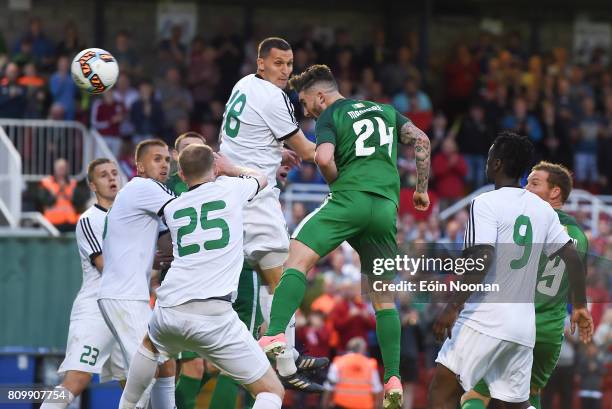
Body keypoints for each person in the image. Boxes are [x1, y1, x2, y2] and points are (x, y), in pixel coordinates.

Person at [258, 64, 431, 409]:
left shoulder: (331, 114)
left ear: (320, 96)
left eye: (306, 104)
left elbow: (322, 158)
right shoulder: (386, 111)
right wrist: (421, 191)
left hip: (348, 199)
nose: (306, 112)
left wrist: (338, 181)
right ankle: (393, 376)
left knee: (297, 257)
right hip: (385, 210)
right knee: (383, 299)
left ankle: (275, 332)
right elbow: (422, 141)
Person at [428, 132, 594, 409]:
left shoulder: (485, 203)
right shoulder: (543, 211)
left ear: (496, 163)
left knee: (442, 389)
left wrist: (452, 307)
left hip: (485, 318)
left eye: (491, 152)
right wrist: (579, 305)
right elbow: (572, 258)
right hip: (523, 327)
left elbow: (482, 256)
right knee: (517, 404)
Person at [119, 144, 284, 409]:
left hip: (169, 309)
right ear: (216, 169)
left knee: (150, 345)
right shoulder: (230, 189)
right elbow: (261, 178)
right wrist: (233, 169)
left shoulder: (173, 208)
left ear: (181, 176)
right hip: (214, 315)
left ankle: (126, 406)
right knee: (271, 390)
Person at [219, 36, 326, 391]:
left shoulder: (244, 84)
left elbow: (248, 135)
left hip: (232, 188)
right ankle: (286, 360)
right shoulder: (273, 97)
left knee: (272, 278)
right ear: (260, 62)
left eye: (290, 64)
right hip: (256, 196)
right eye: (278, 63)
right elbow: (310, 152)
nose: (285, 71)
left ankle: (284, 357)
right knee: (286, 277)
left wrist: (276, 151)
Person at [97, 139, 177, 409]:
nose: (165, 164)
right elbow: (186, 214)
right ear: (139, 166)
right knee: (145, 373)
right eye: (157, 159)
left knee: (163, 364)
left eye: (167, 159)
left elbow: (166, 239)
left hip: (128, 295)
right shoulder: (145, 187)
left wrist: (166, 253)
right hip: (124, 296)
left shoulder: (142, 194)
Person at [40, 159, 121, 409]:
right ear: (92, 185)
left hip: (127, 307)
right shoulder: (89, 219)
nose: (111, 178)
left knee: (140, 380)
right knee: (76, 379)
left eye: (114, 173)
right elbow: (106, 267)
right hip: (96, 307)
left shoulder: (131, 217)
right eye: (103, 175)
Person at [322, 337, 383, 409]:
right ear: (363, 349)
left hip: (341, 405)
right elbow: (377, 390)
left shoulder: (338, 363)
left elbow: (329, 387)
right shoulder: (370, 364)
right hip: (364, 406)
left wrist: (324, 405)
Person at [39, 158, 80, 232]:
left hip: (71, 223)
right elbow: (45, 202)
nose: (61, 170)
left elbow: (78, 203)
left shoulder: (73, 183)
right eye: (59, 168)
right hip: (52, 223)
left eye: (63, 168)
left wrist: (66, 194)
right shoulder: (46, 182)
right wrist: (58, 191)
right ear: (55, 169)